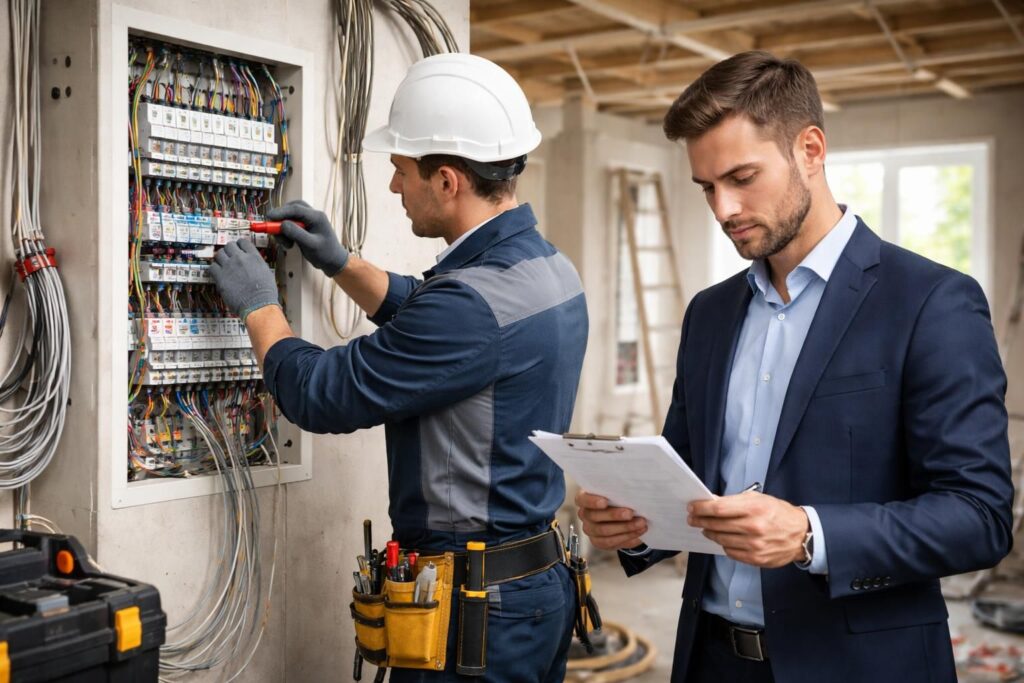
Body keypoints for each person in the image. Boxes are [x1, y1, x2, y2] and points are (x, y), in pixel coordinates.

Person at [576, 50, 1013, 683]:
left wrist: (812, 535)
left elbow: (980, 516)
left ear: (810, 149)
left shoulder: (930, 302)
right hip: (710, 660)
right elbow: (688, 477)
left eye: (742, 177)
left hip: (859, 667)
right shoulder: (709, 313)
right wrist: (635, 524)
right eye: (706, 187)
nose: (723, 208)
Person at [209, 53, 587, 681]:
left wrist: (259, 305)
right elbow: (438, 323)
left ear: (447, 181)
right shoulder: (545, 269)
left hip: (475, 613)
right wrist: (341, 263)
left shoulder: (470, 307)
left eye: (400, 170)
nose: (392, 187)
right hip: (533, 589)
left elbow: (319, 394)